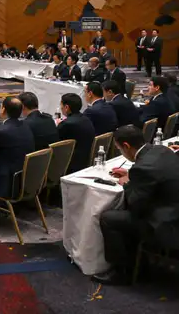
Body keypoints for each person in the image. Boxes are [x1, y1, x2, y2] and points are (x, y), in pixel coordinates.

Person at [94, 125, 179, 285]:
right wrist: (132, 177)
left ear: (126, 146)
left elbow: (135, 204)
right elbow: (155, 177)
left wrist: (127, 183)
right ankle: (136, 261)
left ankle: (121, 272)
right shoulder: (162, 150)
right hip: (173, 210)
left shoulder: (142, 168)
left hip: (166, 225)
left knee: (108, 218)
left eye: (120, 149)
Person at [57, 93, 96, 173]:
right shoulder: (86, 119)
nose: (60, 108)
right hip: (86, 159)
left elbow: (55, 142)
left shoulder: (66, 124)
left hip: (70, 164)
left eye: (61, 105)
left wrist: (59, 125)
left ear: (66, 107)